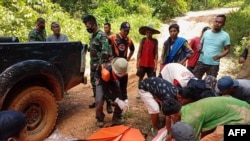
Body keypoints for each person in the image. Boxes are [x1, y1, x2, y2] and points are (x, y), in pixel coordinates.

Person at [162, 96, 250, 141]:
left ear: (173, 115)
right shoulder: (187, 107)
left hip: (242, 117)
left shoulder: (190, 120)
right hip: (242, 106)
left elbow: (189, 138)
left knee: (221, 134)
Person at [82, 15, 112, 127]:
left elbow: (105, 53)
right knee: (95, 89)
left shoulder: (102, 36)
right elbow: (95, 49)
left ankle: (108, 104)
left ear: (94, 25)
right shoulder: (93, 36)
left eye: (88, 26)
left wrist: (99, 67)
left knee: (106, 89)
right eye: (86, 26)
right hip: (94, 68)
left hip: (101, 69)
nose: (87, 28)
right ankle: (100, 114)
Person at [193, 14, 230, 79]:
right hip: (201, 61)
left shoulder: (225, 36)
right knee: (195, 80)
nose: (217, 24)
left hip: (214, 64)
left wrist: (220, 56)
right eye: (216, 21)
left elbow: (227, 49)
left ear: (223, 24)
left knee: (210, 85)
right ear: (214, 21)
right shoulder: (206, 32)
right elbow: (201, 43)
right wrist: (199, 48)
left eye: (220, 22)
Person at [109, 22, 135, 101]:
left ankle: (124, 99)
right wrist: (109, 56)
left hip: (123, 64)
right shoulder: (113, 37)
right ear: (120, 29)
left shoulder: (129, 40)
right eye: (124, 31)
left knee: (123, 83)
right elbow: (105, 45)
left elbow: (132, 49)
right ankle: (114, 100)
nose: (126, 32)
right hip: (114, 63)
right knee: (114, 83)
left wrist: (128, 59)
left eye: (128, 31)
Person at [101, 57, 130, 126]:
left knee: (121, 98)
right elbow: (105, 90)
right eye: (119, 73)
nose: (121, 75)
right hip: (101, 80)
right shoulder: (106, 73)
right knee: (99, 99)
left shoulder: (124, 73)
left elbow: (123, 87)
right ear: (114, 70)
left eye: (122, 73)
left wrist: (125, 99)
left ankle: (116, 117)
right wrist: (116, 100)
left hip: (112, 81)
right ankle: (99, 118)